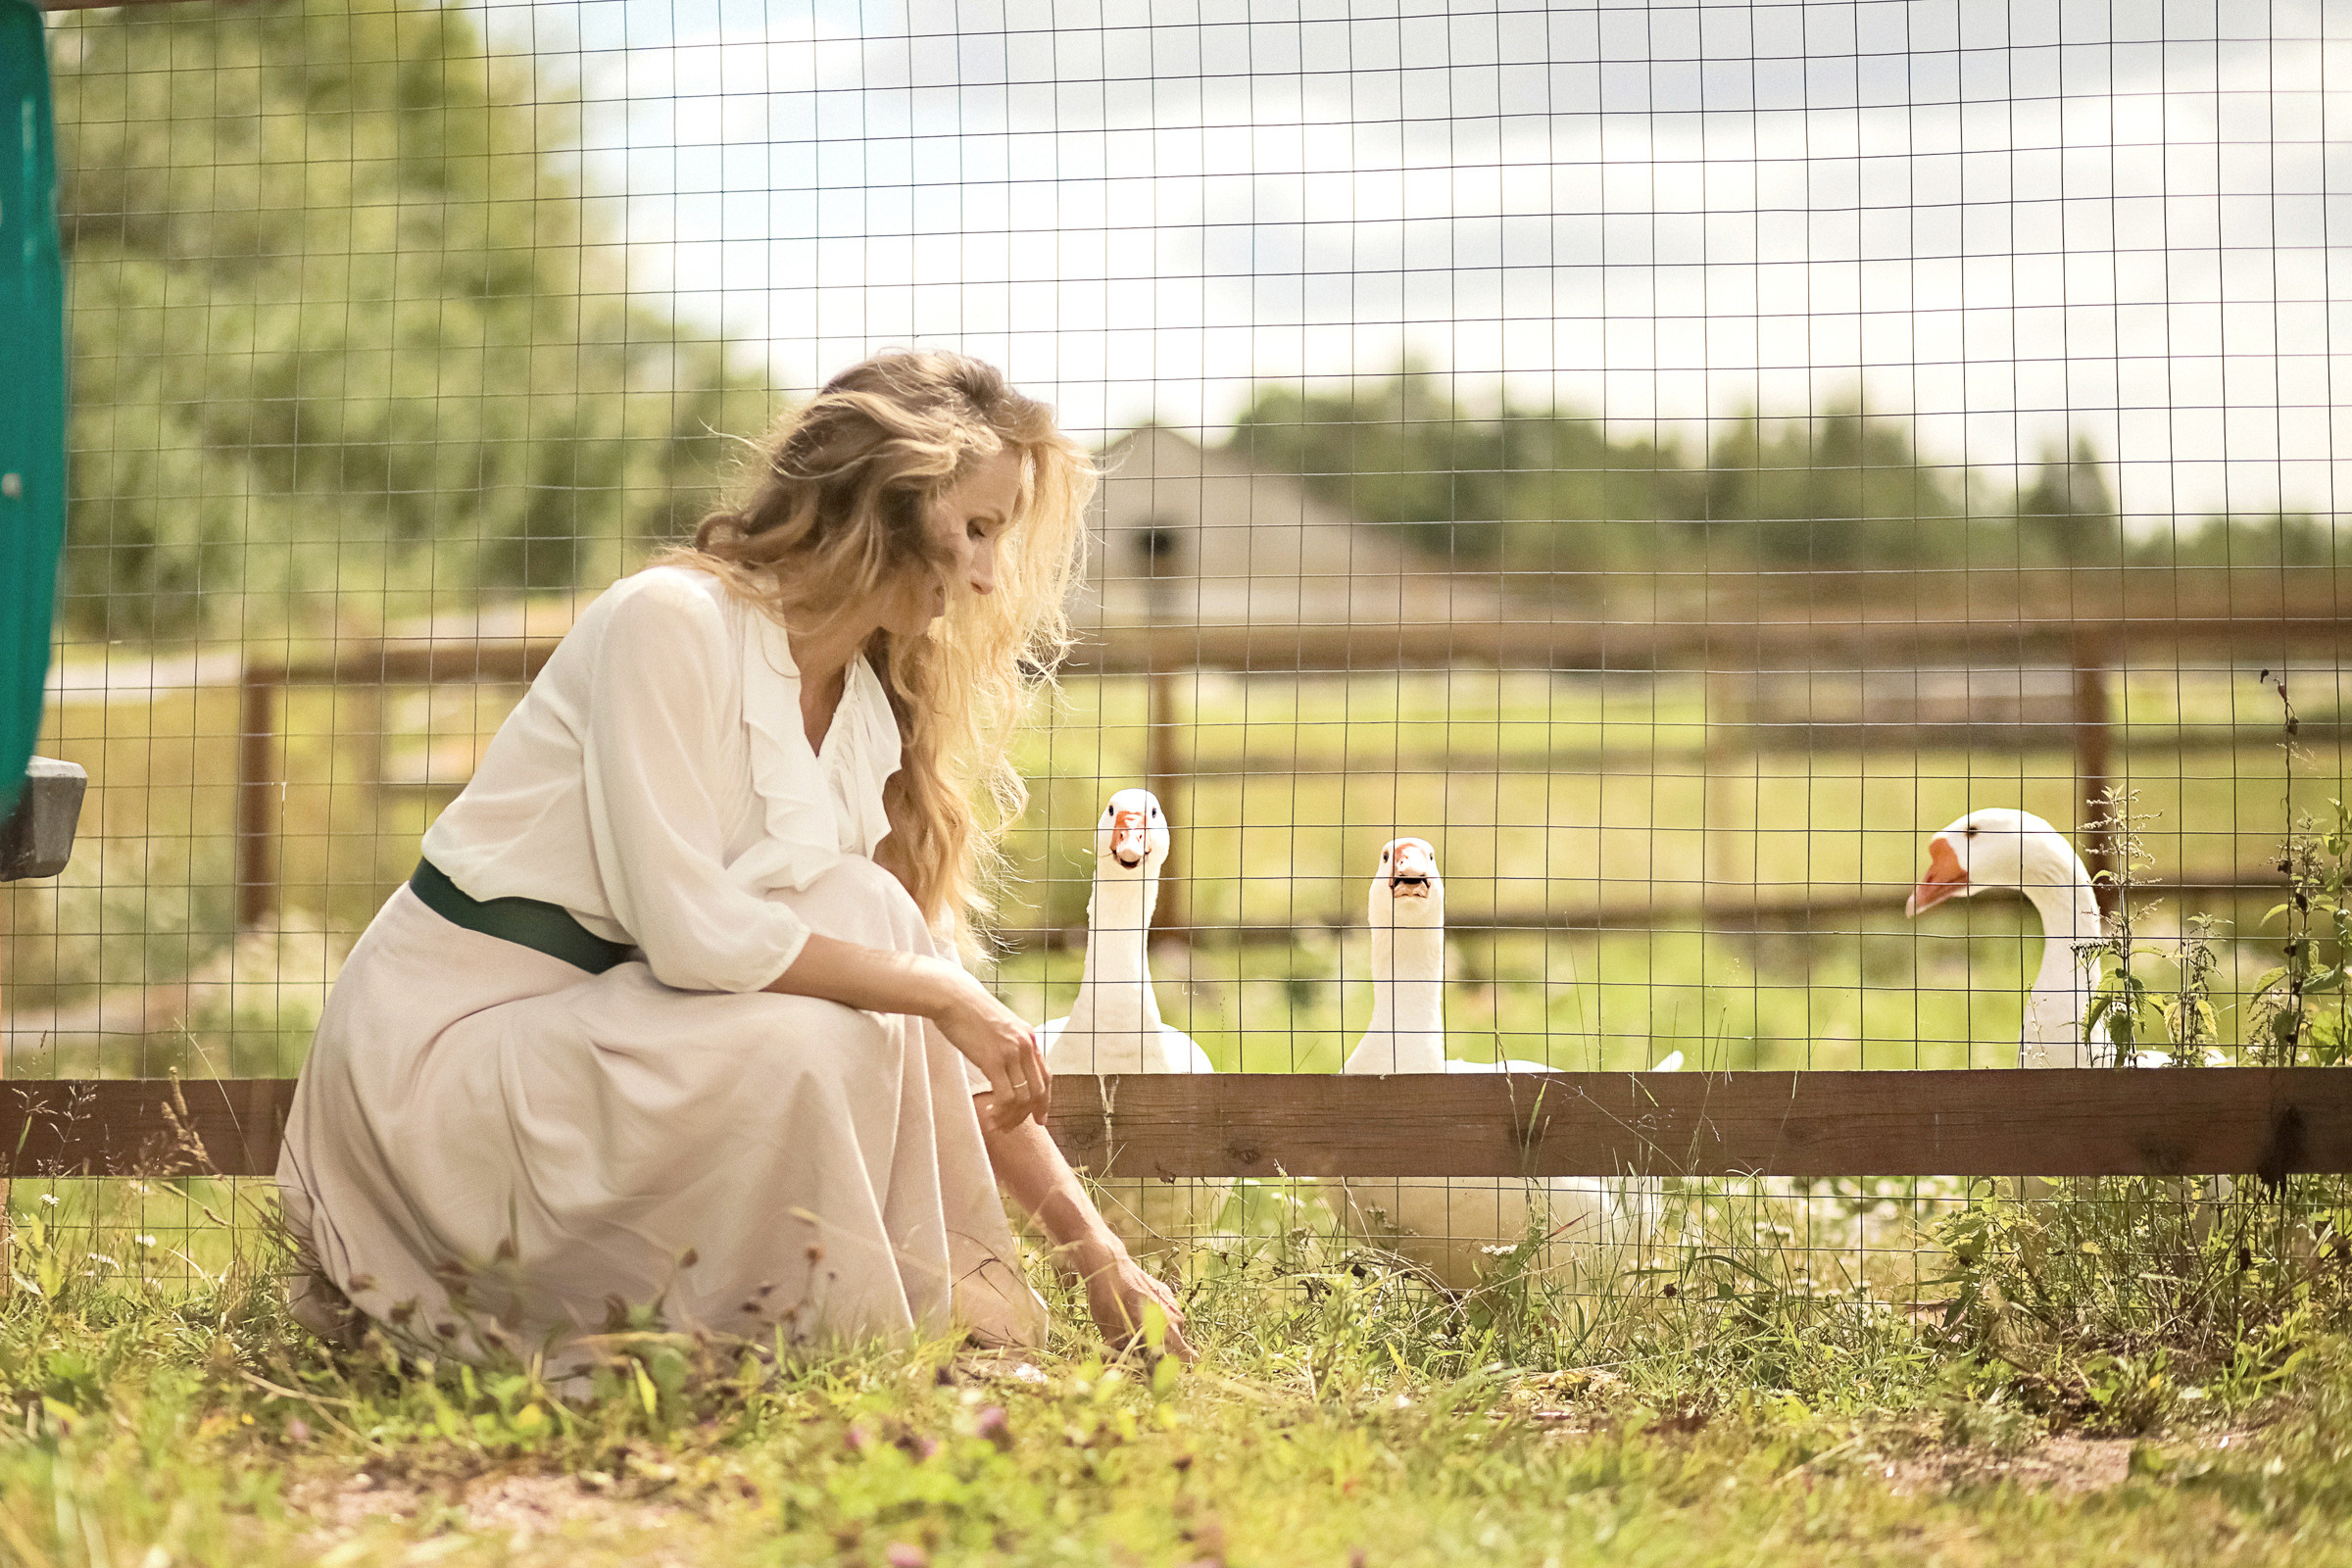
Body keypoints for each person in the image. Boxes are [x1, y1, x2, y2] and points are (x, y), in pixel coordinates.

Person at [276, 352, 1192, 1370]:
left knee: (867, 916)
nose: (986, 575)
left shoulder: (858, 719)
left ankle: (925, 1328)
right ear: (882, 504)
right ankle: (824, 1345)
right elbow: (688, 932)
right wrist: (936, 990)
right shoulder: (669, 622)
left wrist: (1094, 1249)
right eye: (975, 529)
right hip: (443, 1066)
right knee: (813, 1040)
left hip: (602, 1041)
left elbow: (925, 1029)